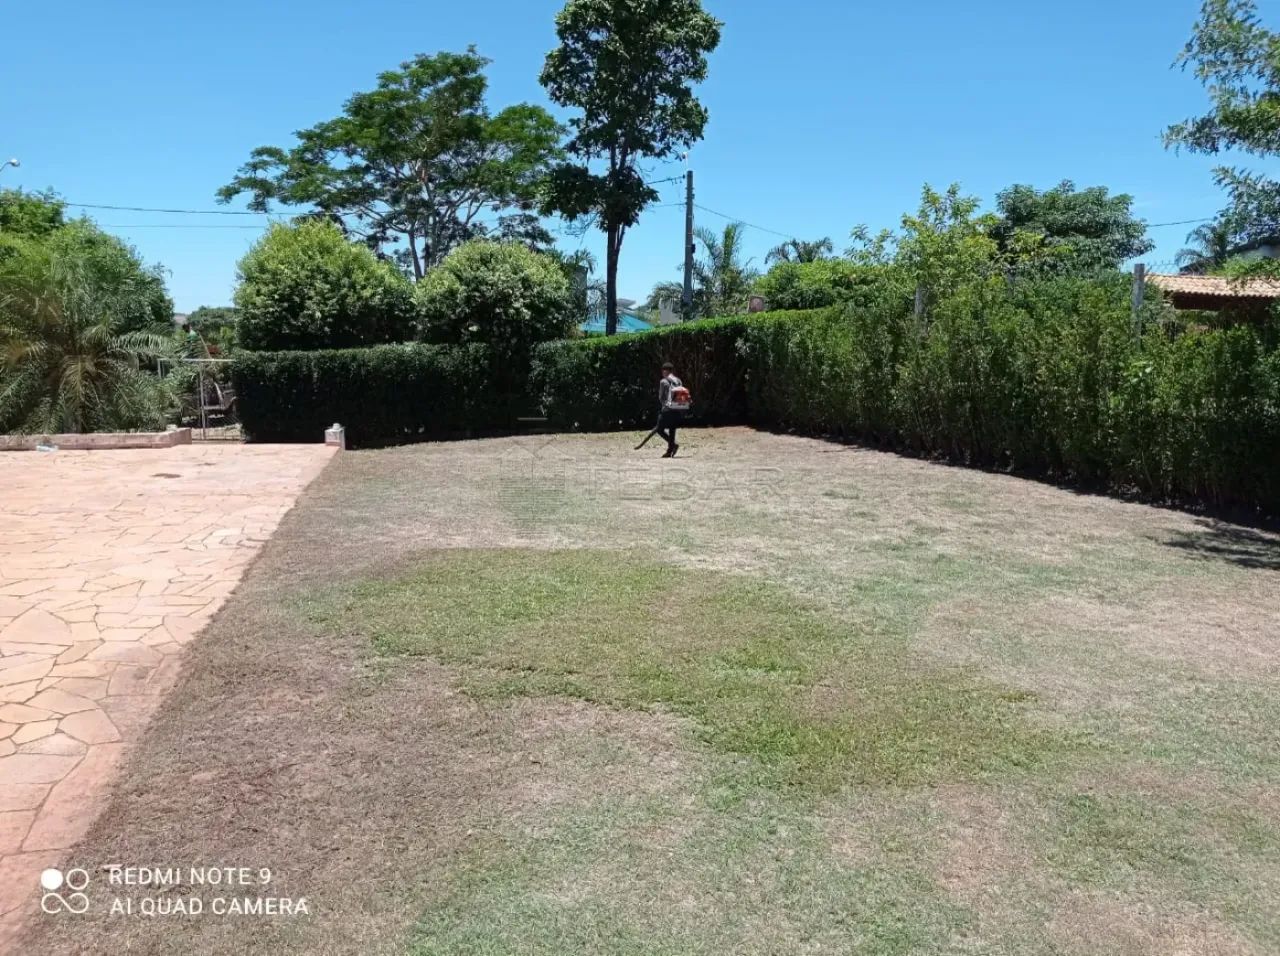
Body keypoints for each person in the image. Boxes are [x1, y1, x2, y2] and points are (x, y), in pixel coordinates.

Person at [655, 361, 684, 458]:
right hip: (678, 409)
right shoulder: (678, 380)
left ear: (665, 371)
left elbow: (661, 397)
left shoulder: (663, 381)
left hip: (667, 409)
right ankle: (670, 450)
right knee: (672, 430)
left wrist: (665, 406)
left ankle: (674, 446)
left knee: (659, 429)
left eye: (663, 370)